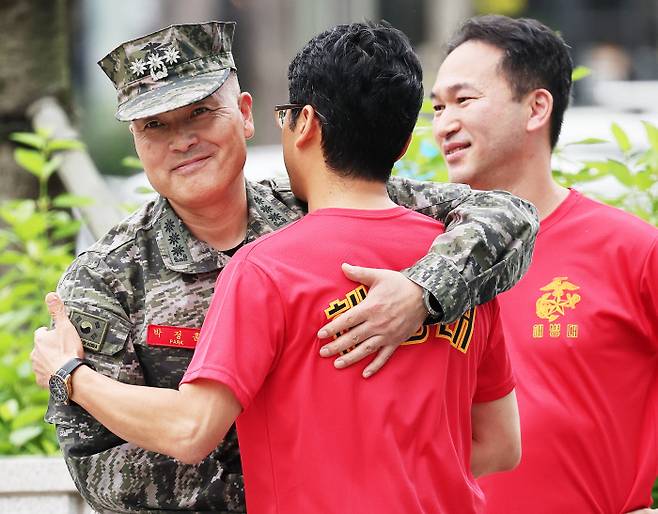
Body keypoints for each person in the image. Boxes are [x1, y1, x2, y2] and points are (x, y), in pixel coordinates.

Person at [36, 20, 538, 514]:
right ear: (136, 141)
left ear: (247, 115)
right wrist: (286, 477)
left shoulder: (314, 200)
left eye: (201, 113)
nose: (181, 139)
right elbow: (99, 470)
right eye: (155, 125)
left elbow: (508, 214)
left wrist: (421, 292)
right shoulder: (105, 278)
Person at [429, 14, 658, 513]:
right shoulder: (420, 260)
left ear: (536, 108)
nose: (444, 122)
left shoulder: (633, 251)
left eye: (463, 101)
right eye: (437, 106)